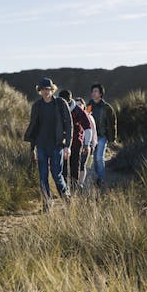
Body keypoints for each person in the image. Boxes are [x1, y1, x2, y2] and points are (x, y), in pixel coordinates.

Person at [24, 77, 72, 209]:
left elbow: (68, 125)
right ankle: (47, 204)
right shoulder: (37, 106)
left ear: (52, 90)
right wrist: (32, 148)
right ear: (40, 91)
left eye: (48, 89)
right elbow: (34, 128)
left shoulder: (61, 103)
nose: (46, 92)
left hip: (57, 145)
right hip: (41, 146)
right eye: (43, 89)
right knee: (43, 176)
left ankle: (66, 197)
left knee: (57, 175)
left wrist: (68, 145)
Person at [57, 90, 95, 189]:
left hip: (76, 142)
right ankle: (64, 189)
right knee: (62, 167)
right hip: (61, 143)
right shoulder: (56, 108)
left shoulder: (78, 111)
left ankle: (74, 187)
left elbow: (87, 127)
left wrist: (86, 144)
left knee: (75, 165)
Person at [86, 83, 117, 186]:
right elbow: (85, 119)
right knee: (95, 159)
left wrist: (112, 139)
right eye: (92, 91)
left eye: (96, 91)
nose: (93, 94)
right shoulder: (89, 106)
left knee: (99, 157)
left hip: (102, 136)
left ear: (100, 94)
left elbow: (112, 124)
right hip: (91, 137)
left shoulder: (106, 107)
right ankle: (98, 177)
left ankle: (101, 179)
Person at [74, 96, 96, 188]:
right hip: (75, 144)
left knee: (82, 164)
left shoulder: (89, 118)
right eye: (77, 105)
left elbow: (93, 131)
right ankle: (74, 182)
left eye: (80, 105)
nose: (78, 107)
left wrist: (93, 144)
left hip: (86, 145)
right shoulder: (72, 116)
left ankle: (80, 184)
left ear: (84, 106)